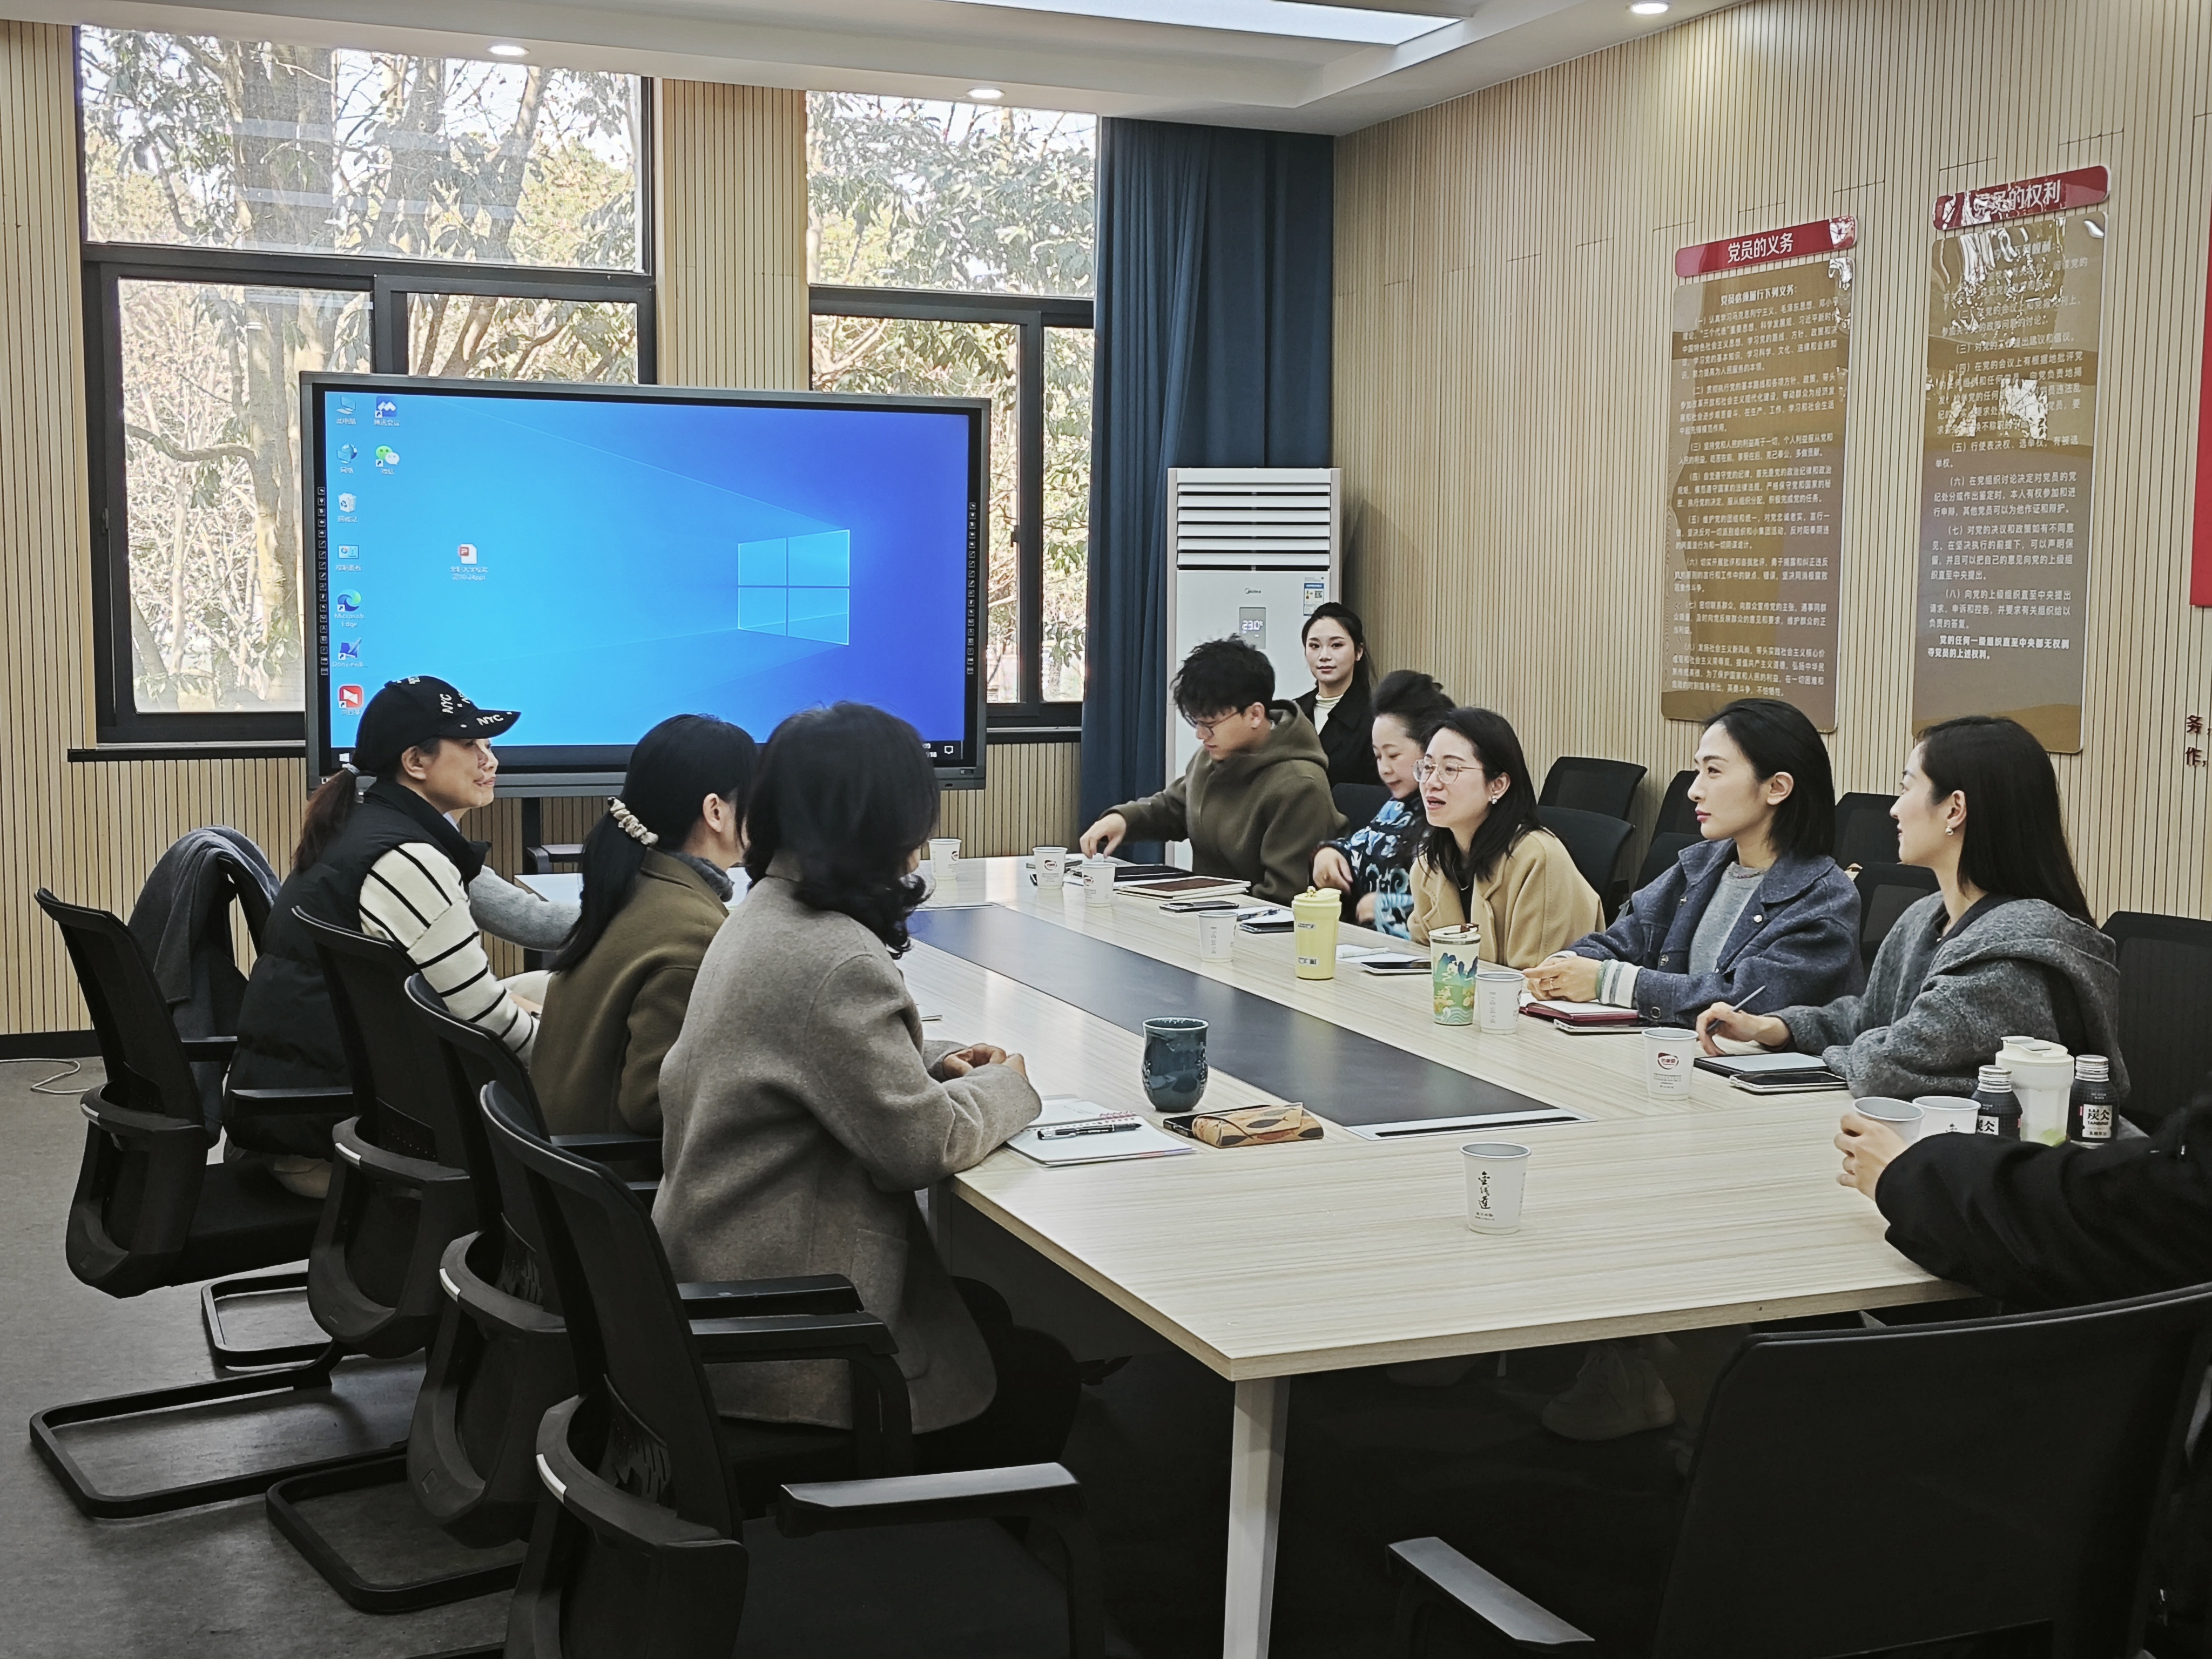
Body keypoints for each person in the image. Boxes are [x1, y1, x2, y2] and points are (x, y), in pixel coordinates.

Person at [655, 702, 1078, 1471]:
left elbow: (805, 1053)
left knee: (984, 1312)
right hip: (789, 1337)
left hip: (714, 1281)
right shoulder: (836, 958)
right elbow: (923, 1145)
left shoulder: (761, 914)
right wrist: (1009, 1088)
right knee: (1040, 1375)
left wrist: (931, 1059)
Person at [229, 677, 550, 1197]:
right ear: (415, 762)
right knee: (580, 1045)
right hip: (349, 1137)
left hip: (310, 1112)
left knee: (545, 987)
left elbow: (465, 995)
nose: (489, 760)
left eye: (489, 746)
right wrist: (576, 1051)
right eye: (470, 745)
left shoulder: (364, 824)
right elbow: (483, 1018)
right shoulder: (407, 859)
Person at [1696, 714, 2126, 1101]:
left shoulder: (2011, 953)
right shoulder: (1924, 917)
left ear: (1954, 809)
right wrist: (1774, 1028)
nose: (1894, 809)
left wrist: (1854, 1050)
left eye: (1906, 789)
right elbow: (1870, 1021)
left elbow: (1885, 1067)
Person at [1524, 698, 1862, 1027]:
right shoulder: (1701, 863)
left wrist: (1607, 981)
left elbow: (1743, 1003)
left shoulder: (1825, 899)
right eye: (1698, 770)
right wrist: (1562, 967)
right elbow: (1623, 939)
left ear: (1776, 787)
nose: (1694, 791)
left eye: (1713, 771)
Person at [531, 715, 757, 1137]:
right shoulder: (693, 933)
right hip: (612, 1170)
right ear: (716, 811)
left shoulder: (631, 885)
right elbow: (654, 1107)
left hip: (561, 1156)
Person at [1080, 636, 1342, 906]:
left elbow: (1283, 899)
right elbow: (1176, 808)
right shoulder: (1214, 756)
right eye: (1197, 723)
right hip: (1207, 913)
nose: (1200, 735)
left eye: (1210, 725)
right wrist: (1124, 820)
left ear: (1254, 715)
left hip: (1250, 921)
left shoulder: (1301, 785)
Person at [1406, 707, 1600, 961]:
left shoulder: (1538, 859)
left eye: (1450, 769)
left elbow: (1538, 979)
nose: (1431, 782)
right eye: (1428, 767)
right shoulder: (1429, 865)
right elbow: (1422, 960)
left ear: (1497, 785)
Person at [1311, 669, 1455, 936]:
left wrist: (1388, 909)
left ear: (1430, 747)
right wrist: (1329, 854)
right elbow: (1361, 848)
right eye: (1378, 757)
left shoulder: (1452, 815)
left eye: (1393, 755)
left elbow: (1456, 912)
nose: (1384, 769)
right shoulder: (1397, 806)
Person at [1293, 602, 1381, 790]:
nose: (1324, 656)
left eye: (1336, 645)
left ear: (1358, 652)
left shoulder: (1375, 719)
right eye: (1315, 646)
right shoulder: (1293, 713)